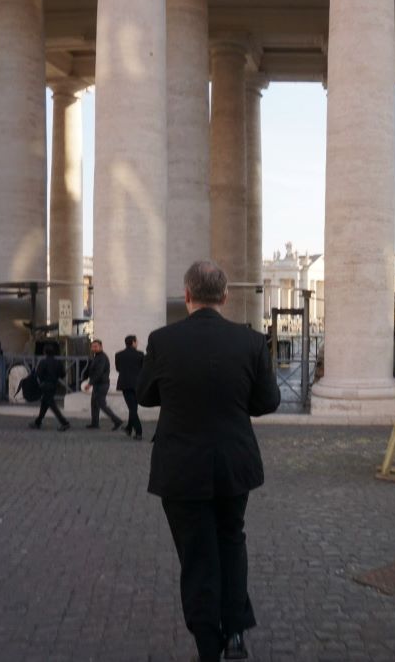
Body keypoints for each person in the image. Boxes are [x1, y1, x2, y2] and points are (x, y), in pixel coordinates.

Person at [138, 260, 280, 662]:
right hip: (234, 463)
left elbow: (146, 395)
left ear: (187, 295)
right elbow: (267, 401)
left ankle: (206, 644)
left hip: (181, 466)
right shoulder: (249, 341)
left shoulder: (162, 340)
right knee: (231, 541)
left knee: (197, 554)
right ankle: (235, 632)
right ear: (225, 296)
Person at [83, 339, 123, 431]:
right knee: (94, 404)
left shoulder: (102, 357)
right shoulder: (96, 356)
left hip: (102, 384)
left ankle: (117, 421)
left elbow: (99, 372)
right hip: (98, 384)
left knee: (101, 404)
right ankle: (95, 423)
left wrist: (90, 383)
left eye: (96, 346)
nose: (93, 348)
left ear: (101, 347)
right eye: (92, 346)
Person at [30, 344, 71, 431]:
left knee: (52, 405)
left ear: (44, 352)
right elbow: (63, 374)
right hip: (54, 385)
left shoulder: (43, 362)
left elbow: (38, 374)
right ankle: (38, 422)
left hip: (45, 385)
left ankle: (64, 422)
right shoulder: (58, 362)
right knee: (44, 404)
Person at [115, 334, 145, 440]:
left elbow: (118, 368)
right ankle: (130, 429)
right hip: (137, 384)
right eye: (136, 341)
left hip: (125, 384)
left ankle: (137, 431)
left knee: (132, 408)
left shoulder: (118, 355)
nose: (137, 343)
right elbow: (143, 369)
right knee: (133, 408)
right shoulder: (141, 354)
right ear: (133, 342)